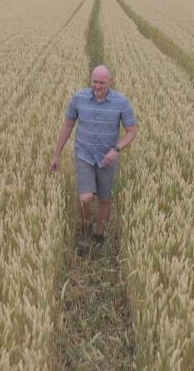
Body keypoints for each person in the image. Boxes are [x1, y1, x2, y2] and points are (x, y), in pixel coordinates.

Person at [50, 65, 138, 247]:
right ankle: (86, 229)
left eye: (102, 83)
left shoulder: (121, 102)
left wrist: (117, 149)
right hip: (84, 155)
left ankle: (99, 236)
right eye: (94, 82)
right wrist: (56, 155)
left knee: (105, 199)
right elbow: (67, 126)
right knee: (86, 198)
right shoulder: (79, 98)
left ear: (110, 82)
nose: (97, 86)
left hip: (108, 158)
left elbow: (132, 131)